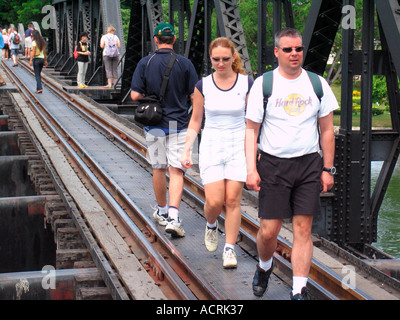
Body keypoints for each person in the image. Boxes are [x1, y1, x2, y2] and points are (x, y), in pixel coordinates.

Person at [245, 28, 339, 300]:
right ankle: (264, 266)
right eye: (287, 49)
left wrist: (327, 169)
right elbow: (251, 130)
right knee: (269, 230)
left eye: (298, 49)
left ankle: (299, 289)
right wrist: (251, 169)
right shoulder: (264, 84)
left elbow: (327, 131)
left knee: (303, 229)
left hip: (309, 164)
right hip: (274, 165)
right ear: (277, 52)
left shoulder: (317, 84)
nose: (294, 54)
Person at [180, 37, 253, 268]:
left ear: (233, 58)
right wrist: (187, 150)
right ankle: (211, 224)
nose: (221, 63)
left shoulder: (246, 84)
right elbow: (195, 120)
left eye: (225, 59)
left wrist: (254, 155)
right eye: (216, 59)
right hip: (211, 145)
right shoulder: (203, 85)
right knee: (214, 201)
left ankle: (229, 248)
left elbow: (252, 123)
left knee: (232, 199)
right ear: (211, 59)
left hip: (237, 146)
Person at [130, 22, 198, 238]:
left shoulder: (145, 62)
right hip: (178, 124)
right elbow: (195, 97)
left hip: (155, 124)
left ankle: (161, 211)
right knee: (177, 170)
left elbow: (134, 95)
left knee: (159, 168)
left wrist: (150, 96)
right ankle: (174, 216)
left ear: (156, 40)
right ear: (174, 40)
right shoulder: (185, 64)